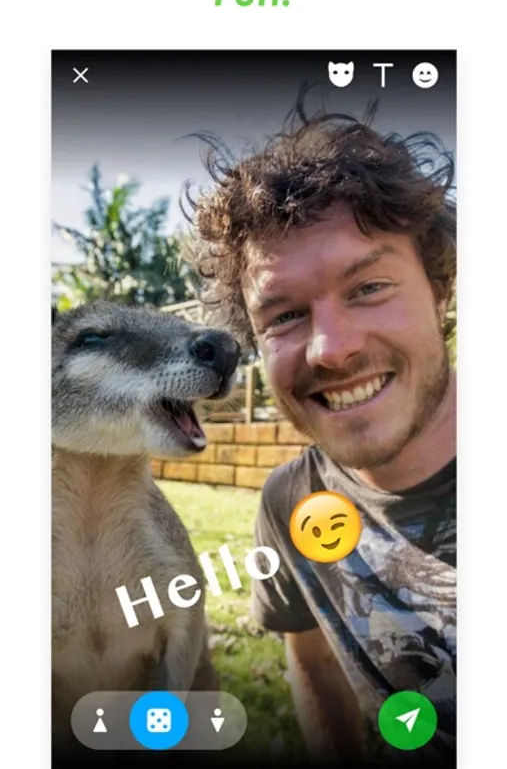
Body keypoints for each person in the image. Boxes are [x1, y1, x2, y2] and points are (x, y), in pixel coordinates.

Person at [183, 97, 456, 768]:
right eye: (284, 316)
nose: (330, 349)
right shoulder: (290, 505)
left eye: (368, 287)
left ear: (439, 290)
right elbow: (313, 661)